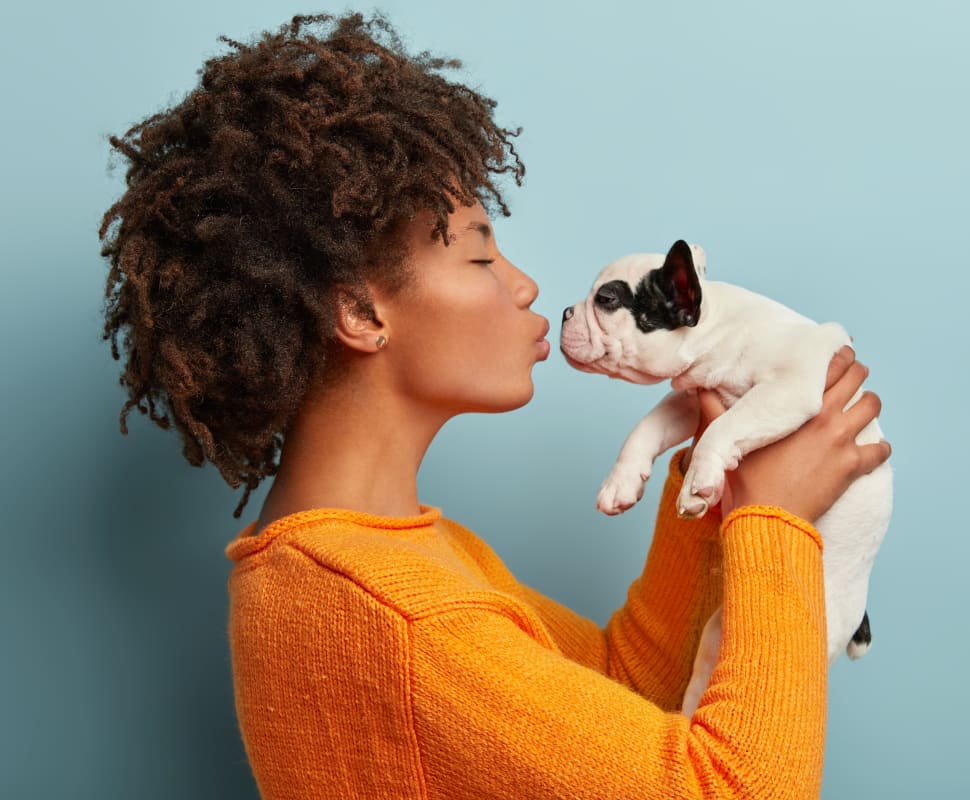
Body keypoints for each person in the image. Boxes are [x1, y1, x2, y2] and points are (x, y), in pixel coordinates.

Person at [99, 12, 891, 800]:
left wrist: (720, 466)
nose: (524, 286)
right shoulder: (395, 613)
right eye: (480, 254)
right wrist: (774, 525)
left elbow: (624, 691)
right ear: (362, 314)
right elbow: (735, 791)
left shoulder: (395, 556)